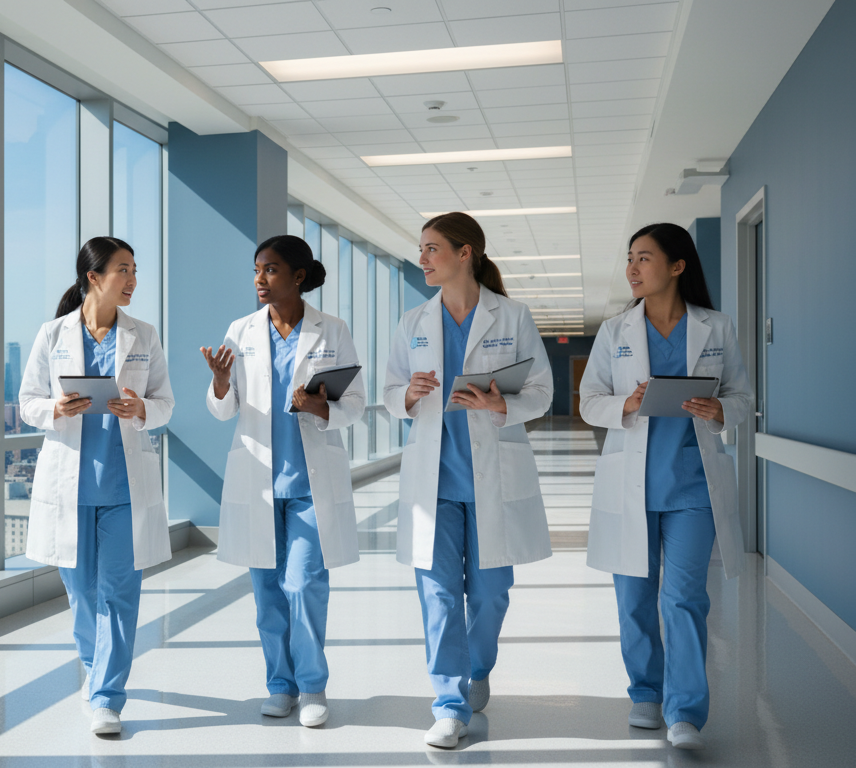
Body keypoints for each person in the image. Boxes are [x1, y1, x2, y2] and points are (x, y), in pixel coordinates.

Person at [383, 212, 553, 749]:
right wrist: (407, 394)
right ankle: (448, 703)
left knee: (491, 593)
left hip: (491, 478)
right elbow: (390, 395)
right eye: (421, 249)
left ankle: (478, 666)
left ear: (466, 253)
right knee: (436, 596)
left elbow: (543, 392)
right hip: (433, 481)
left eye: (432, 248)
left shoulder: (513, 316)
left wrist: (504, 402)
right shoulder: (413, 322)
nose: (423, 258)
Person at [579, 223, 751, 751]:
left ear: (677, 266)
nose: (632, 269)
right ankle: (645, 692)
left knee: (684, 600)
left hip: (693, 487)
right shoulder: (614, 332)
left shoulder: (715, 327)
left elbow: (743, 397)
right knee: (634, 598)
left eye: (644, 259)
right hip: (632, 482)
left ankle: (685, 712)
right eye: (630, 258)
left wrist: (723, 409)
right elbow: (589, 402)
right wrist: (626, 404)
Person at [201, 234, 364, 728]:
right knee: (267, 593)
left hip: (310, 484)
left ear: (297, 276)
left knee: (304, 584)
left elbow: (352, 404)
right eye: (257, 270)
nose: (260, 279)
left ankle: (312, 685)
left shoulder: (331, 330)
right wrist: (220, 384)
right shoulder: (241, 330)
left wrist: (321, 406)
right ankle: (280, 684)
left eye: (270, 270)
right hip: (258, 480)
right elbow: (221, 408)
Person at [18, 236, 174, 736]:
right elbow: (27, 402)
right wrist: (55, 409)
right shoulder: (53, 334)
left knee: (120, 593)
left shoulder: (144, 335)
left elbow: (165, 402)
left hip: (124, 488)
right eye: (123, 270)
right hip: (71, 486)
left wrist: (141, 409)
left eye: (134, 270)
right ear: (94, 277)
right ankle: (94, 664)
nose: (132, 280)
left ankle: (107, 695)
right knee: (81, 593)